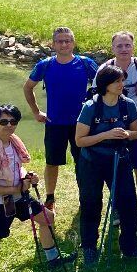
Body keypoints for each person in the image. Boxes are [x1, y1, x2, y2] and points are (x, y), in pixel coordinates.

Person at [0, 105, 73, 272]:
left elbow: (15, 169)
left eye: (13, 121)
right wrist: (14, 188)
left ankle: (53, 258)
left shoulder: (14, 143)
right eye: (3, 122)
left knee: (47, 218)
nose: (9, 125)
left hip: (19, 197)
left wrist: (27, 177)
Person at [75, 65, 137, 264]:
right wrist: (106, 134)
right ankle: (89, 247)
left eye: (122, 80)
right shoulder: (90, 106)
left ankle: (130, 247)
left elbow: (136, 133)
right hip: (92, 161)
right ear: (105, 85)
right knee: (90, 203)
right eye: (117, 81)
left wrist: (126, 134)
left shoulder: (128, 104)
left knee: (128, 204)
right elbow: (80, 140)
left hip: (120, 159)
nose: (121, 85)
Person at [23, 26, 98, 209]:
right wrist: (36, 111)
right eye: (60, 41)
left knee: (83, 162)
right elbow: (27, 87)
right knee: (52, 162)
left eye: (67, 41)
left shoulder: (86, 63)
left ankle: (85, 198)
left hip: (81, 124)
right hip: (54, 123)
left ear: (73, 43)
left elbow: (103, 84)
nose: (64, 44)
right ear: (53, 44)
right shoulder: (45, 65)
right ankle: (50, 198)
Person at [96, 31, 137, 228]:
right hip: (111, 124)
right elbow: (96, 99)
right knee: (114, 166)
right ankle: (117, 204)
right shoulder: (104, 69)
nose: (124, 49)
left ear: (133, 46)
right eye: (119, 46)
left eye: (127, 45)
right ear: (113, 48)